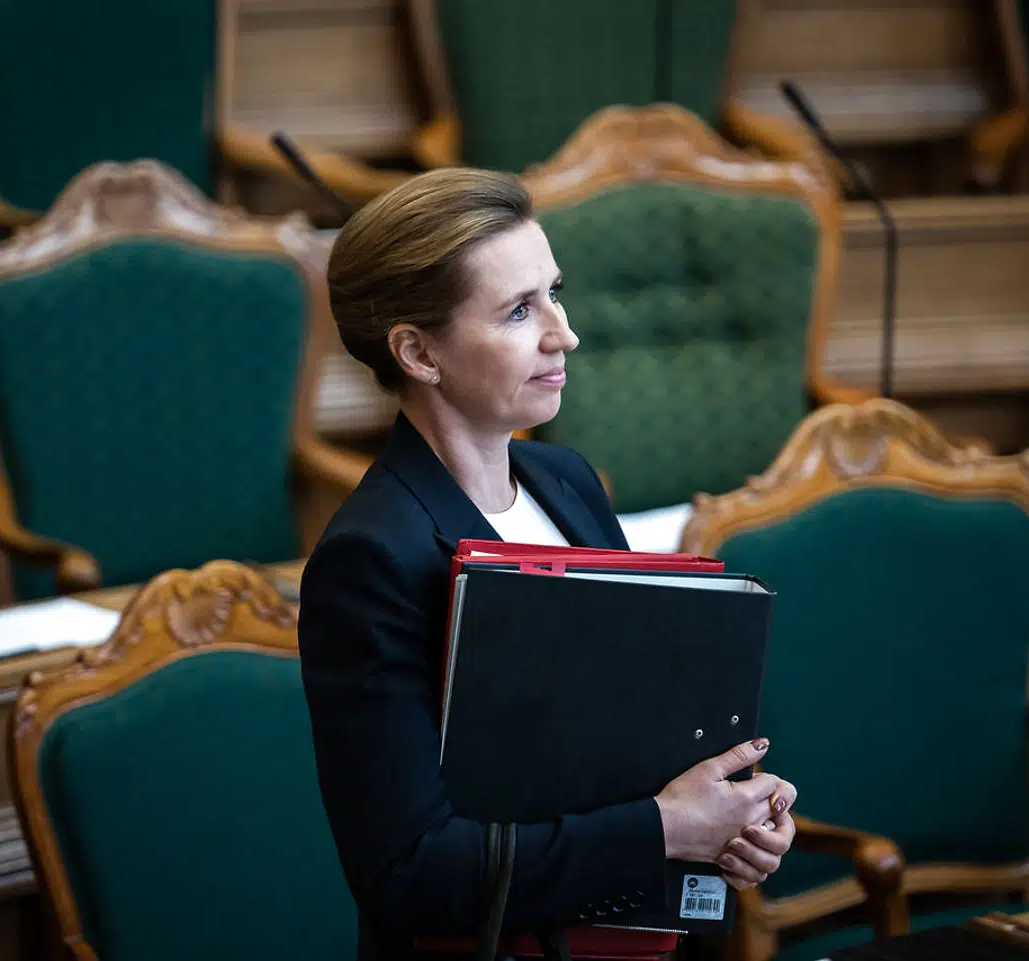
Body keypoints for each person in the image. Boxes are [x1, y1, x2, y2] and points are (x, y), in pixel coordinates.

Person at [298, 167, 798, 960]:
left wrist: (731, 818)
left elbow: (639, 743)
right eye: (519, 310)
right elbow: (409, 873)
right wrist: (669, 826)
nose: (564, 333)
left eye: (554, 293)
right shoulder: (371, 558)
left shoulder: (569, 484)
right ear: (418, 351)